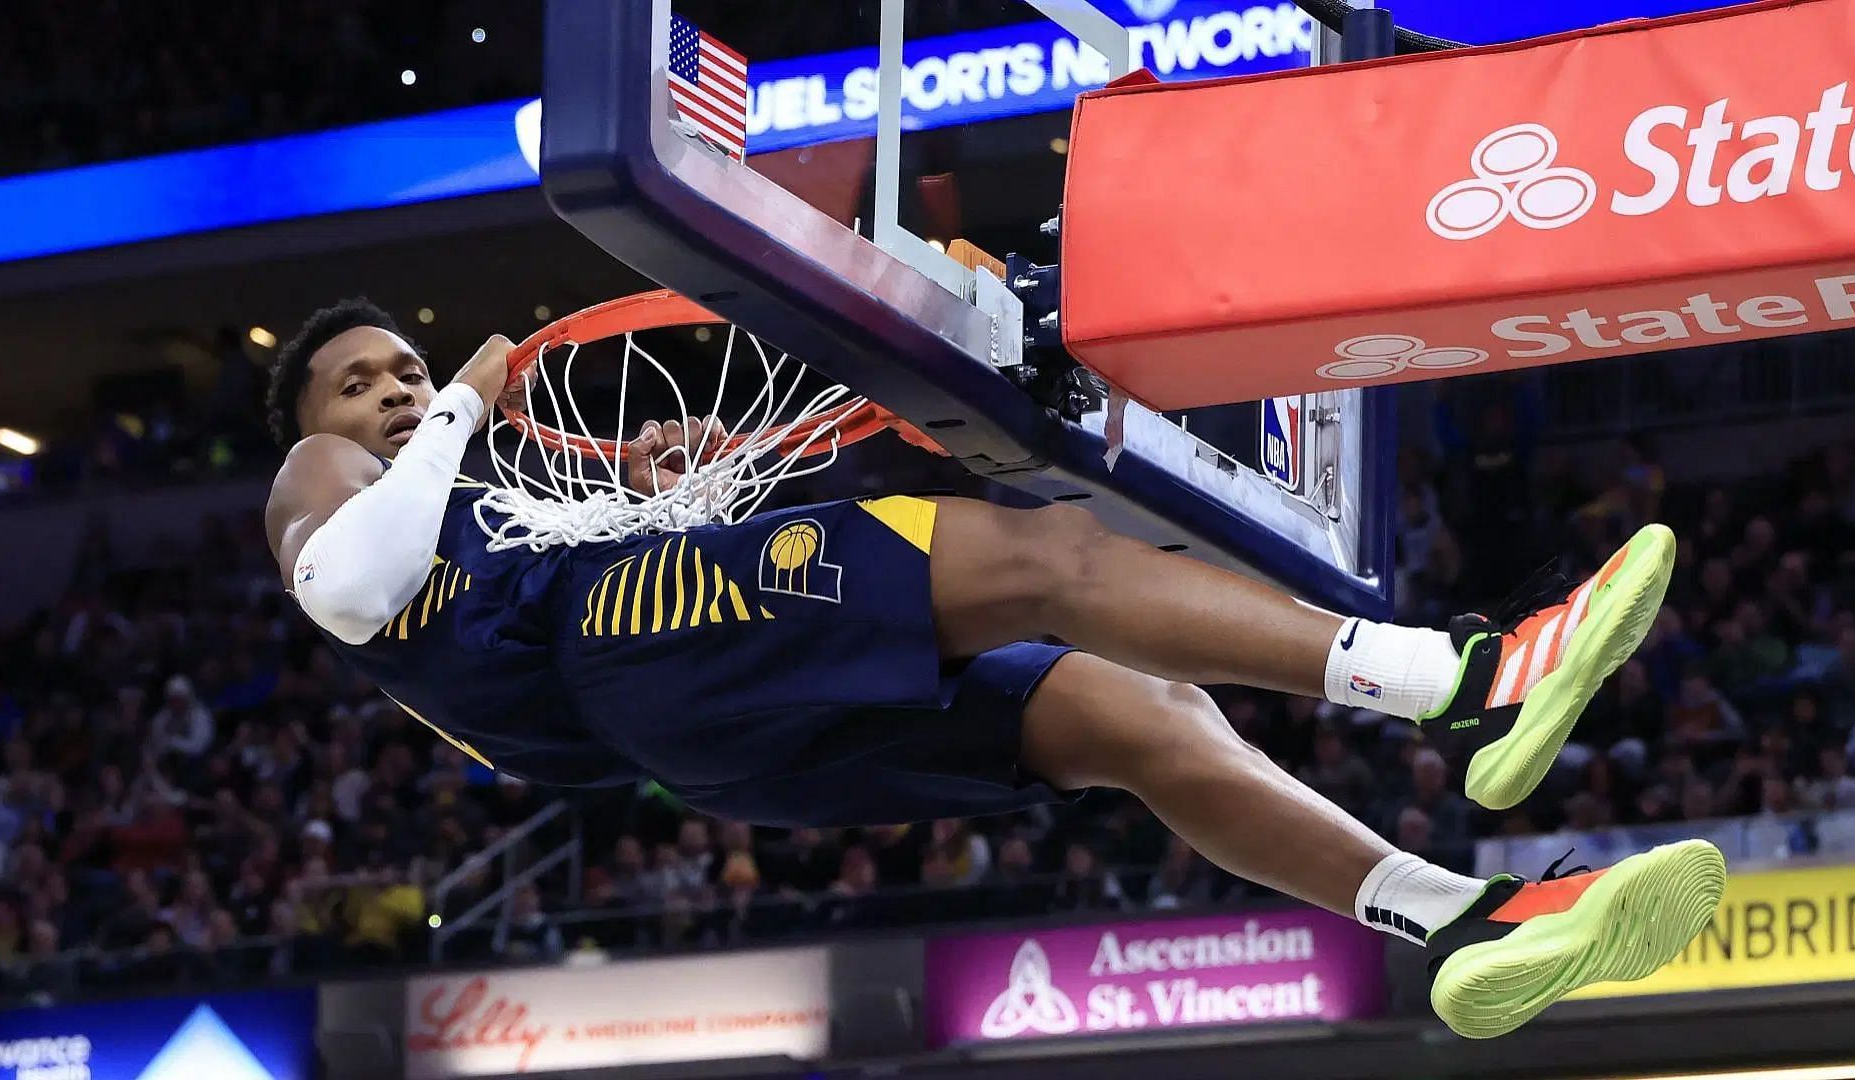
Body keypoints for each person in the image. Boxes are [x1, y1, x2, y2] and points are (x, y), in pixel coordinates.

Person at [262, 300, 1726, 1039]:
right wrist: (460, 396)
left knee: (1140, 717)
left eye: (404, 368)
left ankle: (1458, 922)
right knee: (1043, 560)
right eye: (360, 377)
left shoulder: (468, 506)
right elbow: (350, 585)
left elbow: (452, 582)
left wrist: (659, 480)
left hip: (697, 741)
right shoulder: (328, 475)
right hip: (621, 654)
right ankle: (1468, 678)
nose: (392, 387)